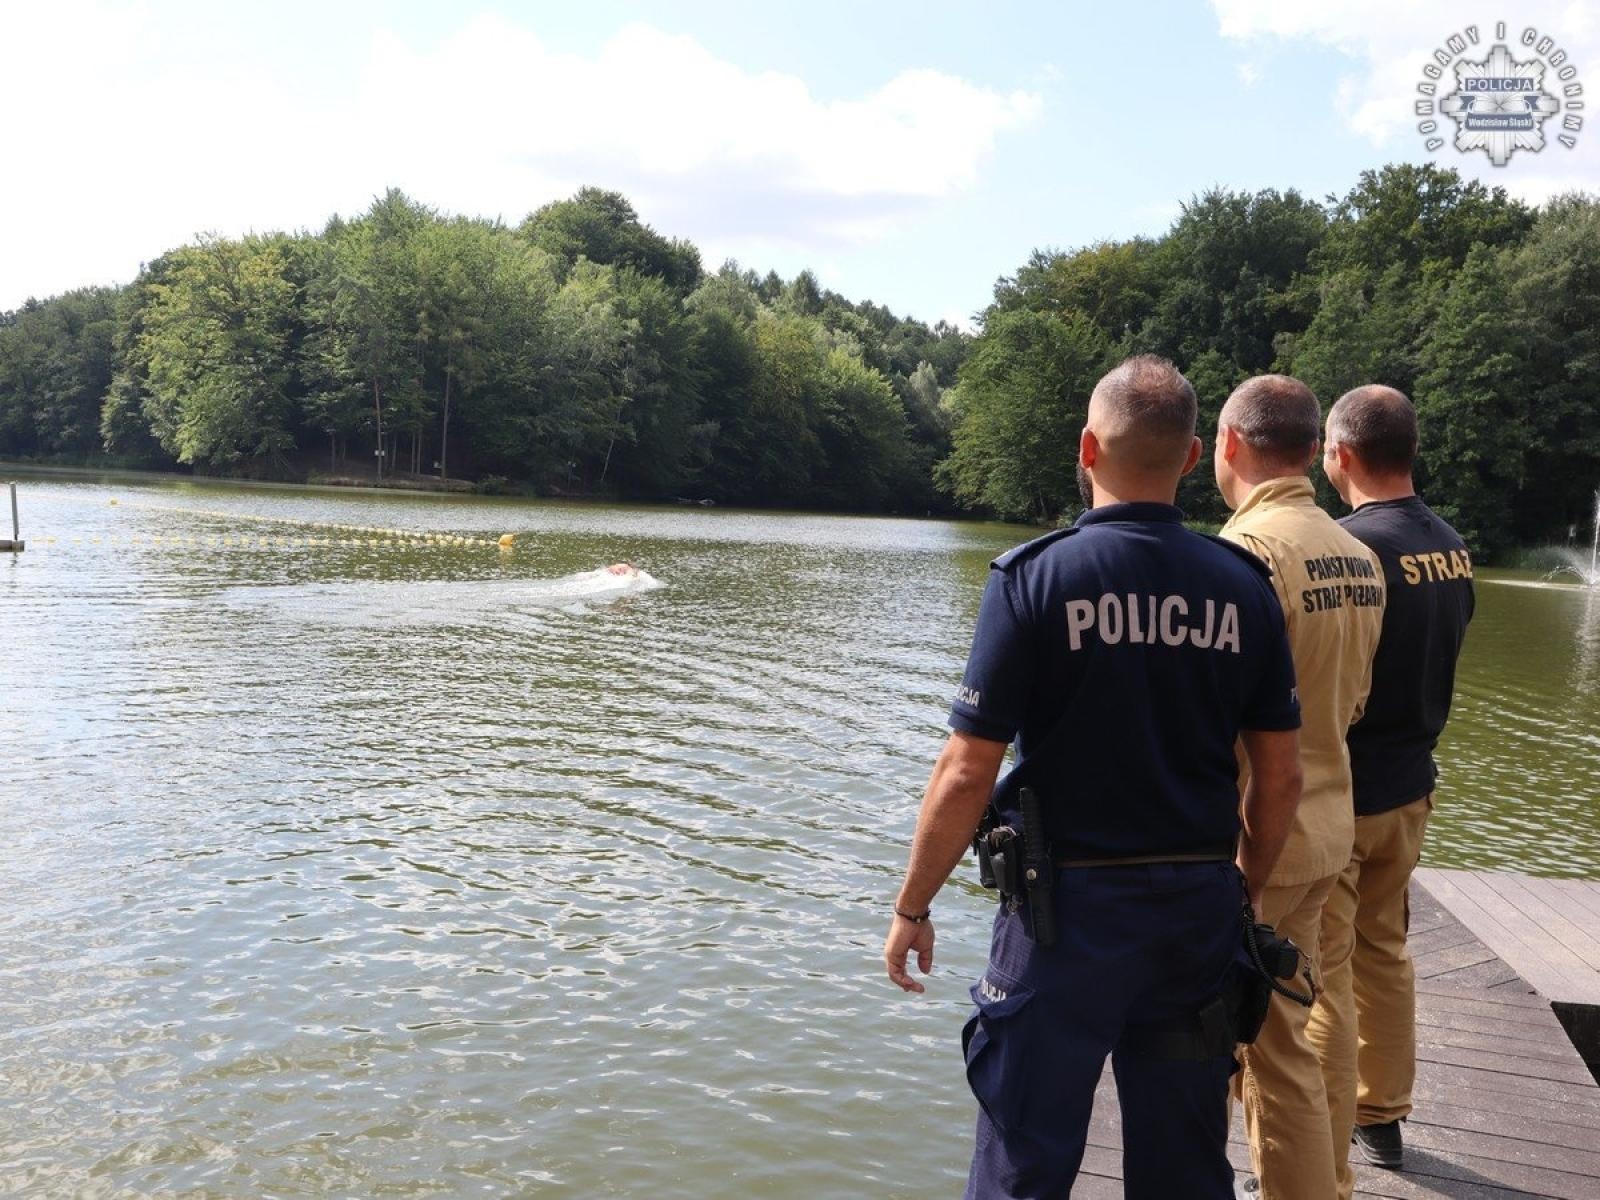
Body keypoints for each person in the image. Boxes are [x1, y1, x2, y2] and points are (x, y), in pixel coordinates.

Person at [883, 355, 1304, 1199]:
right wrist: (1242, 890)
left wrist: (912, 906)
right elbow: (1281, 778)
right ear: (1191, 457)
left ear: (1086, 447)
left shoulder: (1034, 579)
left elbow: (968, 771)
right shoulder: (1244, 587)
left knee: (1023, 1165)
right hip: (1193, 917)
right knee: (1184, 1165)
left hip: (1060, 921)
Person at [1214, 375, 1385, 1200]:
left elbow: (1218, 725)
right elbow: (1351, 702)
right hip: (1329, 821)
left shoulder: (1247, 554)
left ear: (1230, 445)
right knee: (1305, 1017)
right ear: (1313, 449)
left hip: (1263, 839)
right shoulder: (1358, 555)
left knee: (1260, 1043)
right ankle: (1334, 1179)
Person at [1306, 386, 1474, 1178]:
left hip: (1345, 793)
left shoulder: (1349, 549)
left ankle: (1325, 1135)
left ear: (1338, 455)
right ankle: (1383, 1116)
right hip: (1413, 787)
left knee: (1325, 969)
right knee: (1385, 952)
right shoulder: (1451, 545)